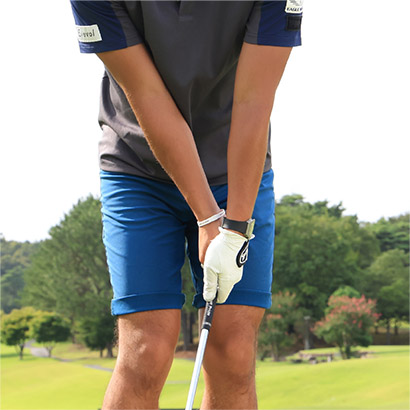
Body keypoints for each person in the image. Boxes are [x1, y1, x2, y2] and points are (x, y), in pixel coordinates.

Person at [70, 1, 302, 409]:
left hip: (236, 172)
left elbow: (253, 101)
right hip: (138, 167)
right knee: (146, 349)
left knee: (233, 350)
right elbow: (146, 94)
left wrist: (235, 227)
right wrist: (209, 219)